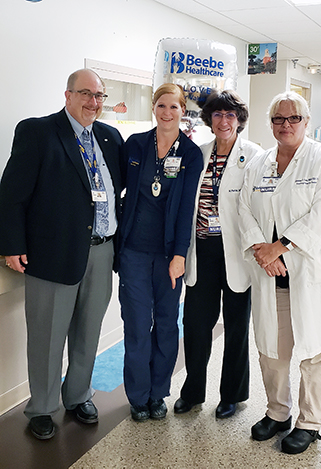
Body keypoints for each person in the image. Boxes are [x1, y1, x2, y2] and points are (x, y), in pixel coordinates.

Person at [0, 69, 124, 440]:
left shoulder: (110, 136)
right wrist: (12, 246)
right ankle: (41, 407)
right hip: (51, 255)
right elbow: (11, 195)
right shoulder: (38, 131)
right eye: (85, 93)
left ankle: (79, 395)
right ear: (67, 95)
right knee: (47, 337)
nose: (93, 102)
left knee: (88, 332)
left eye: (100, 95)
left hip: (102, 252)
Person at [238, 91, 321, 454]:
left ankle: (309, 422)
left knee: (315, 350)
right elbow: (244, 208)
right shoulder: (260, 163)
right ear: (270, 123)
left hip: (312, 270)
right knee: (271, 349)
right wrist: (263, 250)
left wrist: (280, 247)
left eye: (293, 119)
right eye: (278, 119)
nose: (285, 125)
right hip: (271, 272)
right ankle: (277, 412)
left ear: (306, 122)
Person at [173, 90, 263, 419]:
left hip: (237, 252)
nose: (224, 121)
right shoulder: (199, 154)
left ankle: (232, 395)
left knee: (237, 327)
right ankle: (193, 391)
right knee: (196, 325)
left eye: (230, 115)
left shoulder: (254, 156)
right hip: (203, 250)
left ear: (239, 120)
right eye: (217, 115)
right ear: (209, 120)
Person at [118, 83, 203, 422]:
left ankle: (158, 393)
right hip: (134, 252)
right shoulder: (136, 145)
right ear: (154, 107)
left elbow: (187, 209)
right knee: (137, 325)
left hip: (169, 256)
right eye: (162, 106)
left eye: (174, 107)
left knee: (167, 325)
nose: (168, 113)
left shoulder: (191, 154)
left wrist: (180, 254)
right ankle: (138, 396)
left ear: (184, 112)